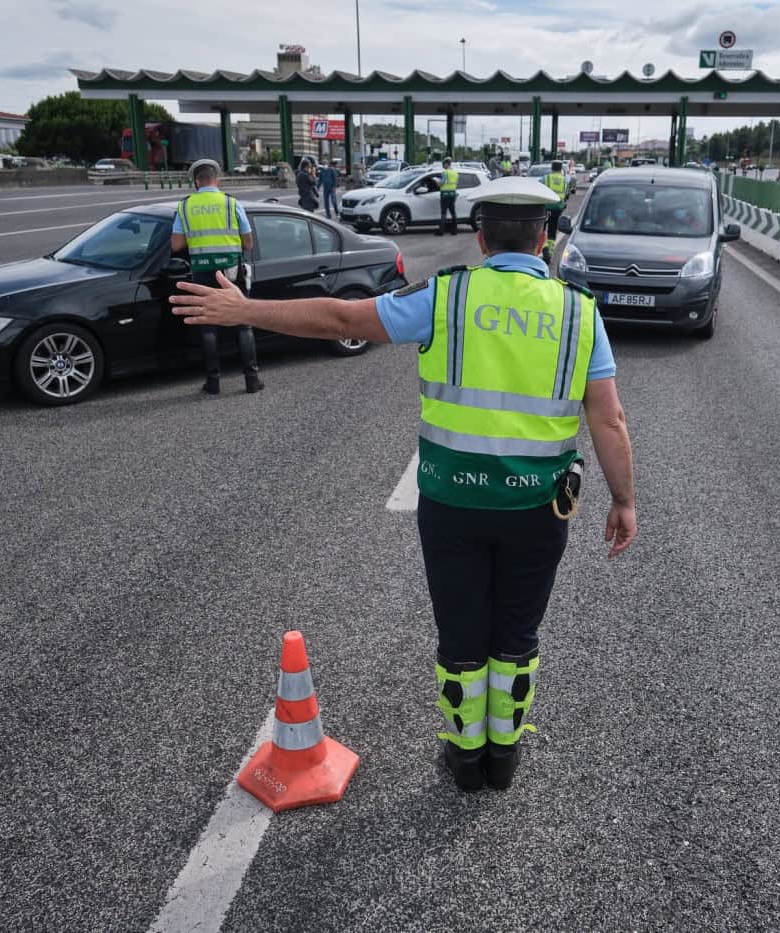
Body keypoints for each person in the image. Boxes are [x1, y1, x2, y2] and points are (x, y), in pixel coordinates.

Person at [169, 176, 637, 793]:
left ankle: (465, 760)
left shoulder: (444, 298)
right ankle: (504, 760)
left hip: (451, 503)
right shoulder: (580, 312)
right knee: (517, 634)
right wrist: (624, 499)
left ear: (479, 236)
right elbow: (608, 418)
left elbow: (340, 316)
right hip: (536, 508)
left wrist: (245, 310)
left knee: (462, 633)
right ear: (545, 237)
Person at [169, 159, 262, 395]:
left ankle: (213, 382)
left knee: (208, 327)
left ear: (196, 181)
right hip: (231, 272)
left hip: (201, 272)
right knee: (243, 323)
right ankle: (251, 380)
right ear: (216, 179)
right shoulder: (231, 203)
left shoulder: (185, 206)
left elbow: (176, 244)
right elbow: (248, 244)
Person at [541, 159, 568, 263]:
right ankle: (550, 252)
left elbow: (539, 190)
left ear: (552, 168)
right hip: (557, 207)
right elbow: (565, 194)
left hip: (545, 207)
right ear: (561, 169)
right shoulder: (564, 180)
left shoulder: (546, 178)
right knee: (552, 230)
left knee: (541, 229)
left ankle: (544, 247)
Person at [437, 157, 459, 236]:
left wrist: (437, 183)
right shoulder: (455, 173)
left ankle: (441, 231)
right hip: (452, 194)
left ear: (446, 164)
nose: (443, 166)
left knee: (443, 213)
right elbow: (456, 184)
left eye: (443, 164)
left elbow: (441, 183)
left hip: (445, 195)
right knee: (453, 213)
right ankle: (455, 231)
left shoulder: (445, 172)